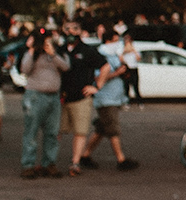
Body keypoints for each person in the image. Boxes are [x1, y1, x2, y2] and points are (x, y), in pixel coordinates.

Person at [18, 29, 69, 179]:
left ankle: (49, 164)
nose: (46, 43)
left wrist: (53, 54)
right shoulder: (32, 54)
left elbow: (66, 67)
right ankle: (28, 165)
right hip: (35, 96)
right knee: (31, 132)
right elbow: (24, 69)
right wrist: (32, 50)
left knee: (52, 133)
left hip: (53, 97)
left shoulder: (58, 53)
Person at [80, 44, 139, 171]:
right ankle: (121, 159)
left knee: (101, 129)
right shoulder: (100, 56)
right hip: (105, 99)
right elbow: (97, 77)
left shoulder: (116, 57)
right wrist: (117, 73)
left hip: (113, 98)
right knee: (113, 129)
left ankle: (85, 155)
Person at [58, 20, 104, 176]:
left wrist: (96, 87)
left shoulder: (87, 50)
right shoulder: (59, 50)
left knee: (80, 132)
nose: (71, 32)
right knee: (56, 130)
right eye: (67, 28)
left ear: (80, 31)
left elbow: (105, 66)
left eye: (74, 28)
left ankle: (75, 163)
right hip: (61, 98)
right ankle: (48, 162)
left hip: (82, 98)